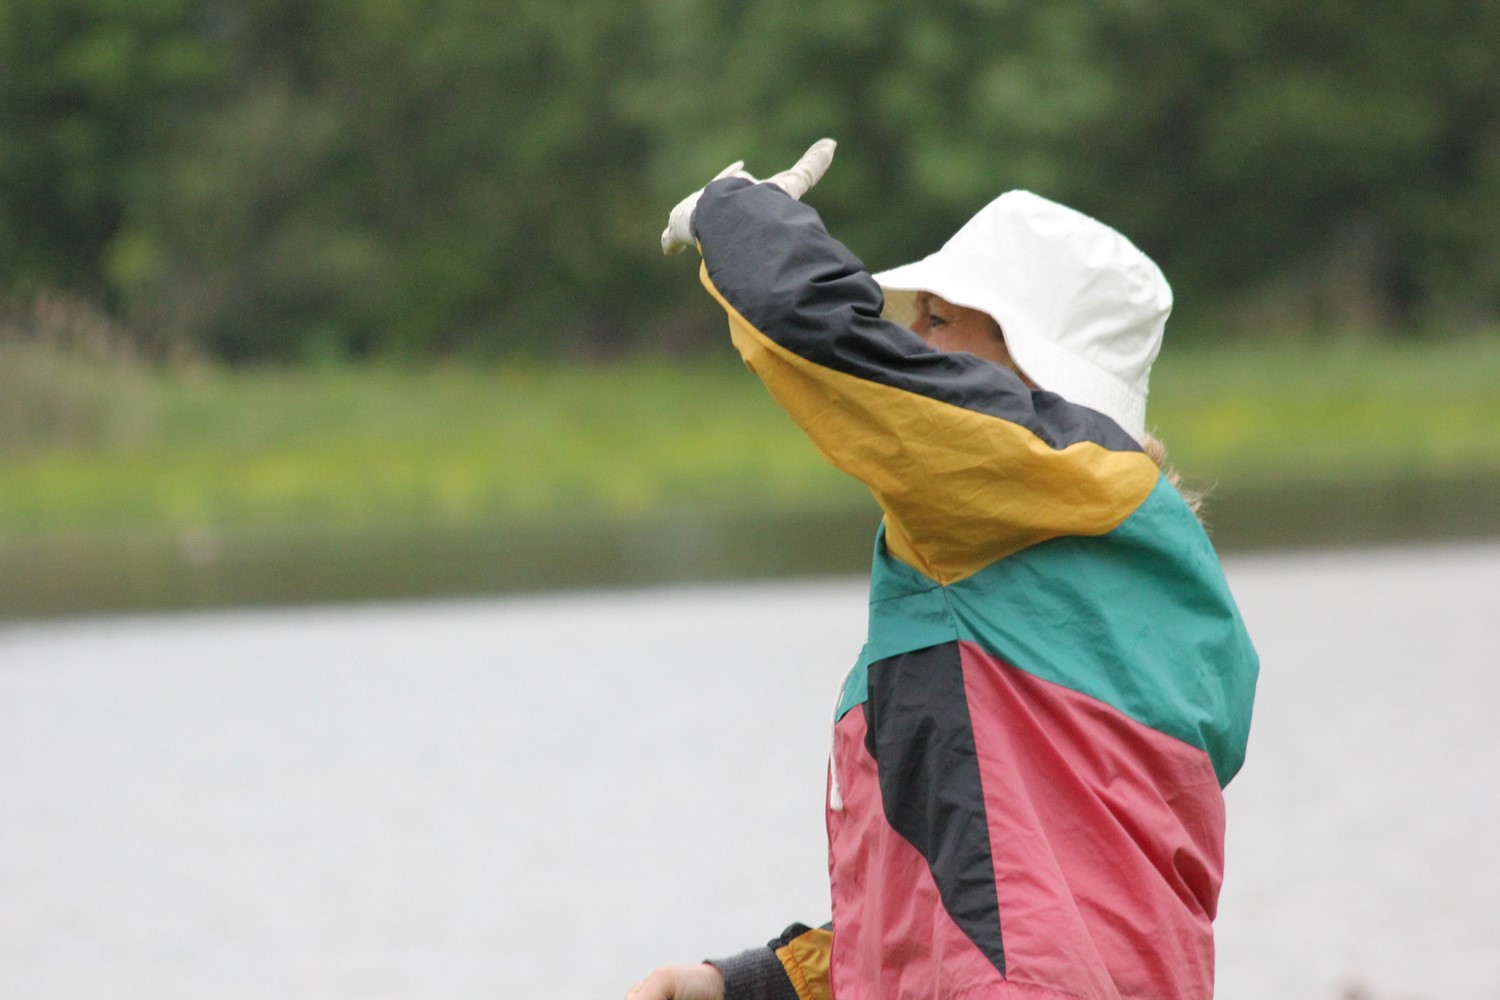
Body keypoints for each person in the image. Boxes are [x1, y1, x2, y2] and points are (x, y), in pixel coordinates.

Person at [629, 140, 1259, 1000]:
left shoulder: (1032, 494)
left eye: (936, 319)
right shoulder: (1135, 576)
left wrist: (737, 213)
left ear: (1023, 367)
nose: (911, 340)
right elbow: (988, 900)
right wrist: (754, 985)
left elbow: (826, 337)